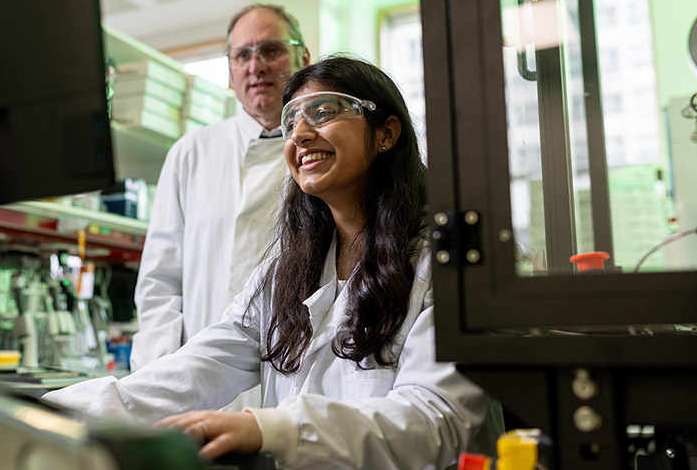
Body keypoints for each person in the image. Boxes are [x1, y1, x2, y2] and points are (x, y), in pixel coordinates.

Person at [44, 56, 501, 469]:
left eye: (324, 111)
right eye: (291, 120)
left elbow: (433, 420)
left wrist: (272, 429)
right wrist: (49, 412)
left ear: (386, 133)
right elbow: (190, 372)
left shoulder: (444, 263)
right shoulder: (285, 274)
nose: (300, 133)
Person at [130, 4, 311, 372]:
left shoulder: (322, 150)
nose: (255, 66)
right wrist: (158, 375)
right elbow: (160, 282)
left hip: (292, 375)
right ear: (230, 73)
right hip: (198, 377)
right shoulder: (190, 153)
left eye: (272, 50)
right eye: (242, 55)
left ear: (303, 58)